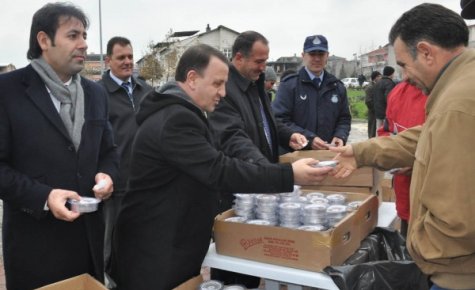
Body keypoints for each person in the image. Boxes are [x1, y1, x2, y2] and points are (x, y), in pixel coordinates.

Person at [111, 44, 333, 290]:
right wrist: (289, 174)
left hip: (167, 242)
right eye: (217, 84)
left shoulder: (183, 112)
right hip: (155, 251)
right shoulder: (175, 119)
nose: (223, 92)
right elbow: (220, 170)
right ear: (192, 79)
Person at [331, 4, 475, 289]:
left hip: (457, 275)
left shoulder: (457, 105)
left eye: (404, 64)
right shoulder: (460, 85)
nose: (405, 76)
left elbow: (458, 219)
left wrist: (419, 246)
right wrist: (360, 152)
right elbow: (423, 136)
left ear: (426, 52)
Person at [0, 3, 119, 289]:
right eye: (73, 35)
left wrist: (107, 174)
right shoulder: (8, 91)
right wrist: (44, 196)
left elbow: (109, 151)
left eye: (85, 35)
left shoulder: (95, 93)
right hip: (36, 247)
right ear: (44, 40)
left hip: (89, 241)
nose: (84, 44)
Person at [207, 31, 308, 287]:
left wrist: (290, 136)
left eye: (266, 61)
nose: (264, 68)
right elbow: (232, 138)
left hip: (260, 185)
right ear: (239, 58)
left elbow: (268, 123)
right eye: (259, 62)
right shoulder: (225, 89)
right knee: (235, 269)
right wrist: (269, 171)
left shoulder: (255, 84)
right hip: (237, 193)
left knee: (255, 264)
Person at [98, 36, 153, 274]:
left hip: (146, 182)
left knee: (141, 241)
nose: (128, 61)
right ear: (108, 60)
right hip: (115, 184)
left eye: (130, 56)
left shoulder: (147, 91)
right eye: (121, 57)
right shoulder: (97, 94)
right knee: (109, 245)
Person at [272, 34, 351, 150]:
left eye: (321, 54)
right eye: (312, 54)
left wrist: (340, 135)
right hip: (298, 156)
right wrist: (308, 138)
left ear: (327, 56)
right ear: (303, 56)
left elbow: (344, 118)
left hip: (329, 154)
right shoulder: (289, 85)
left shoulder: (337, 87)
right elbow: (278, 120)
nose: (317, 59)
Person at [376, 80, 427, 238]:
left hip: (436, 206)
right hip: (405, 195)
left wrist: (417, 163)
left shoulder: (445, 92)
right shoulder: (398, 93)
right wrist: (393, 157)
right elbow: (385, 131)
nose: (405, 72)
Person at [365, 71, 382, 138]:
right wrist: (375, 108)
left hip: (378, 111)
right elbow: (368, 101)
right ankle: (371, 143)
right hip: (373, 112)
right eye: (379, 76)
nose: (380, 77)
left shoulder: (378, 85)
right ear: (375, 77)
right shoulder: (370, 87)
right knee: (372, 129)